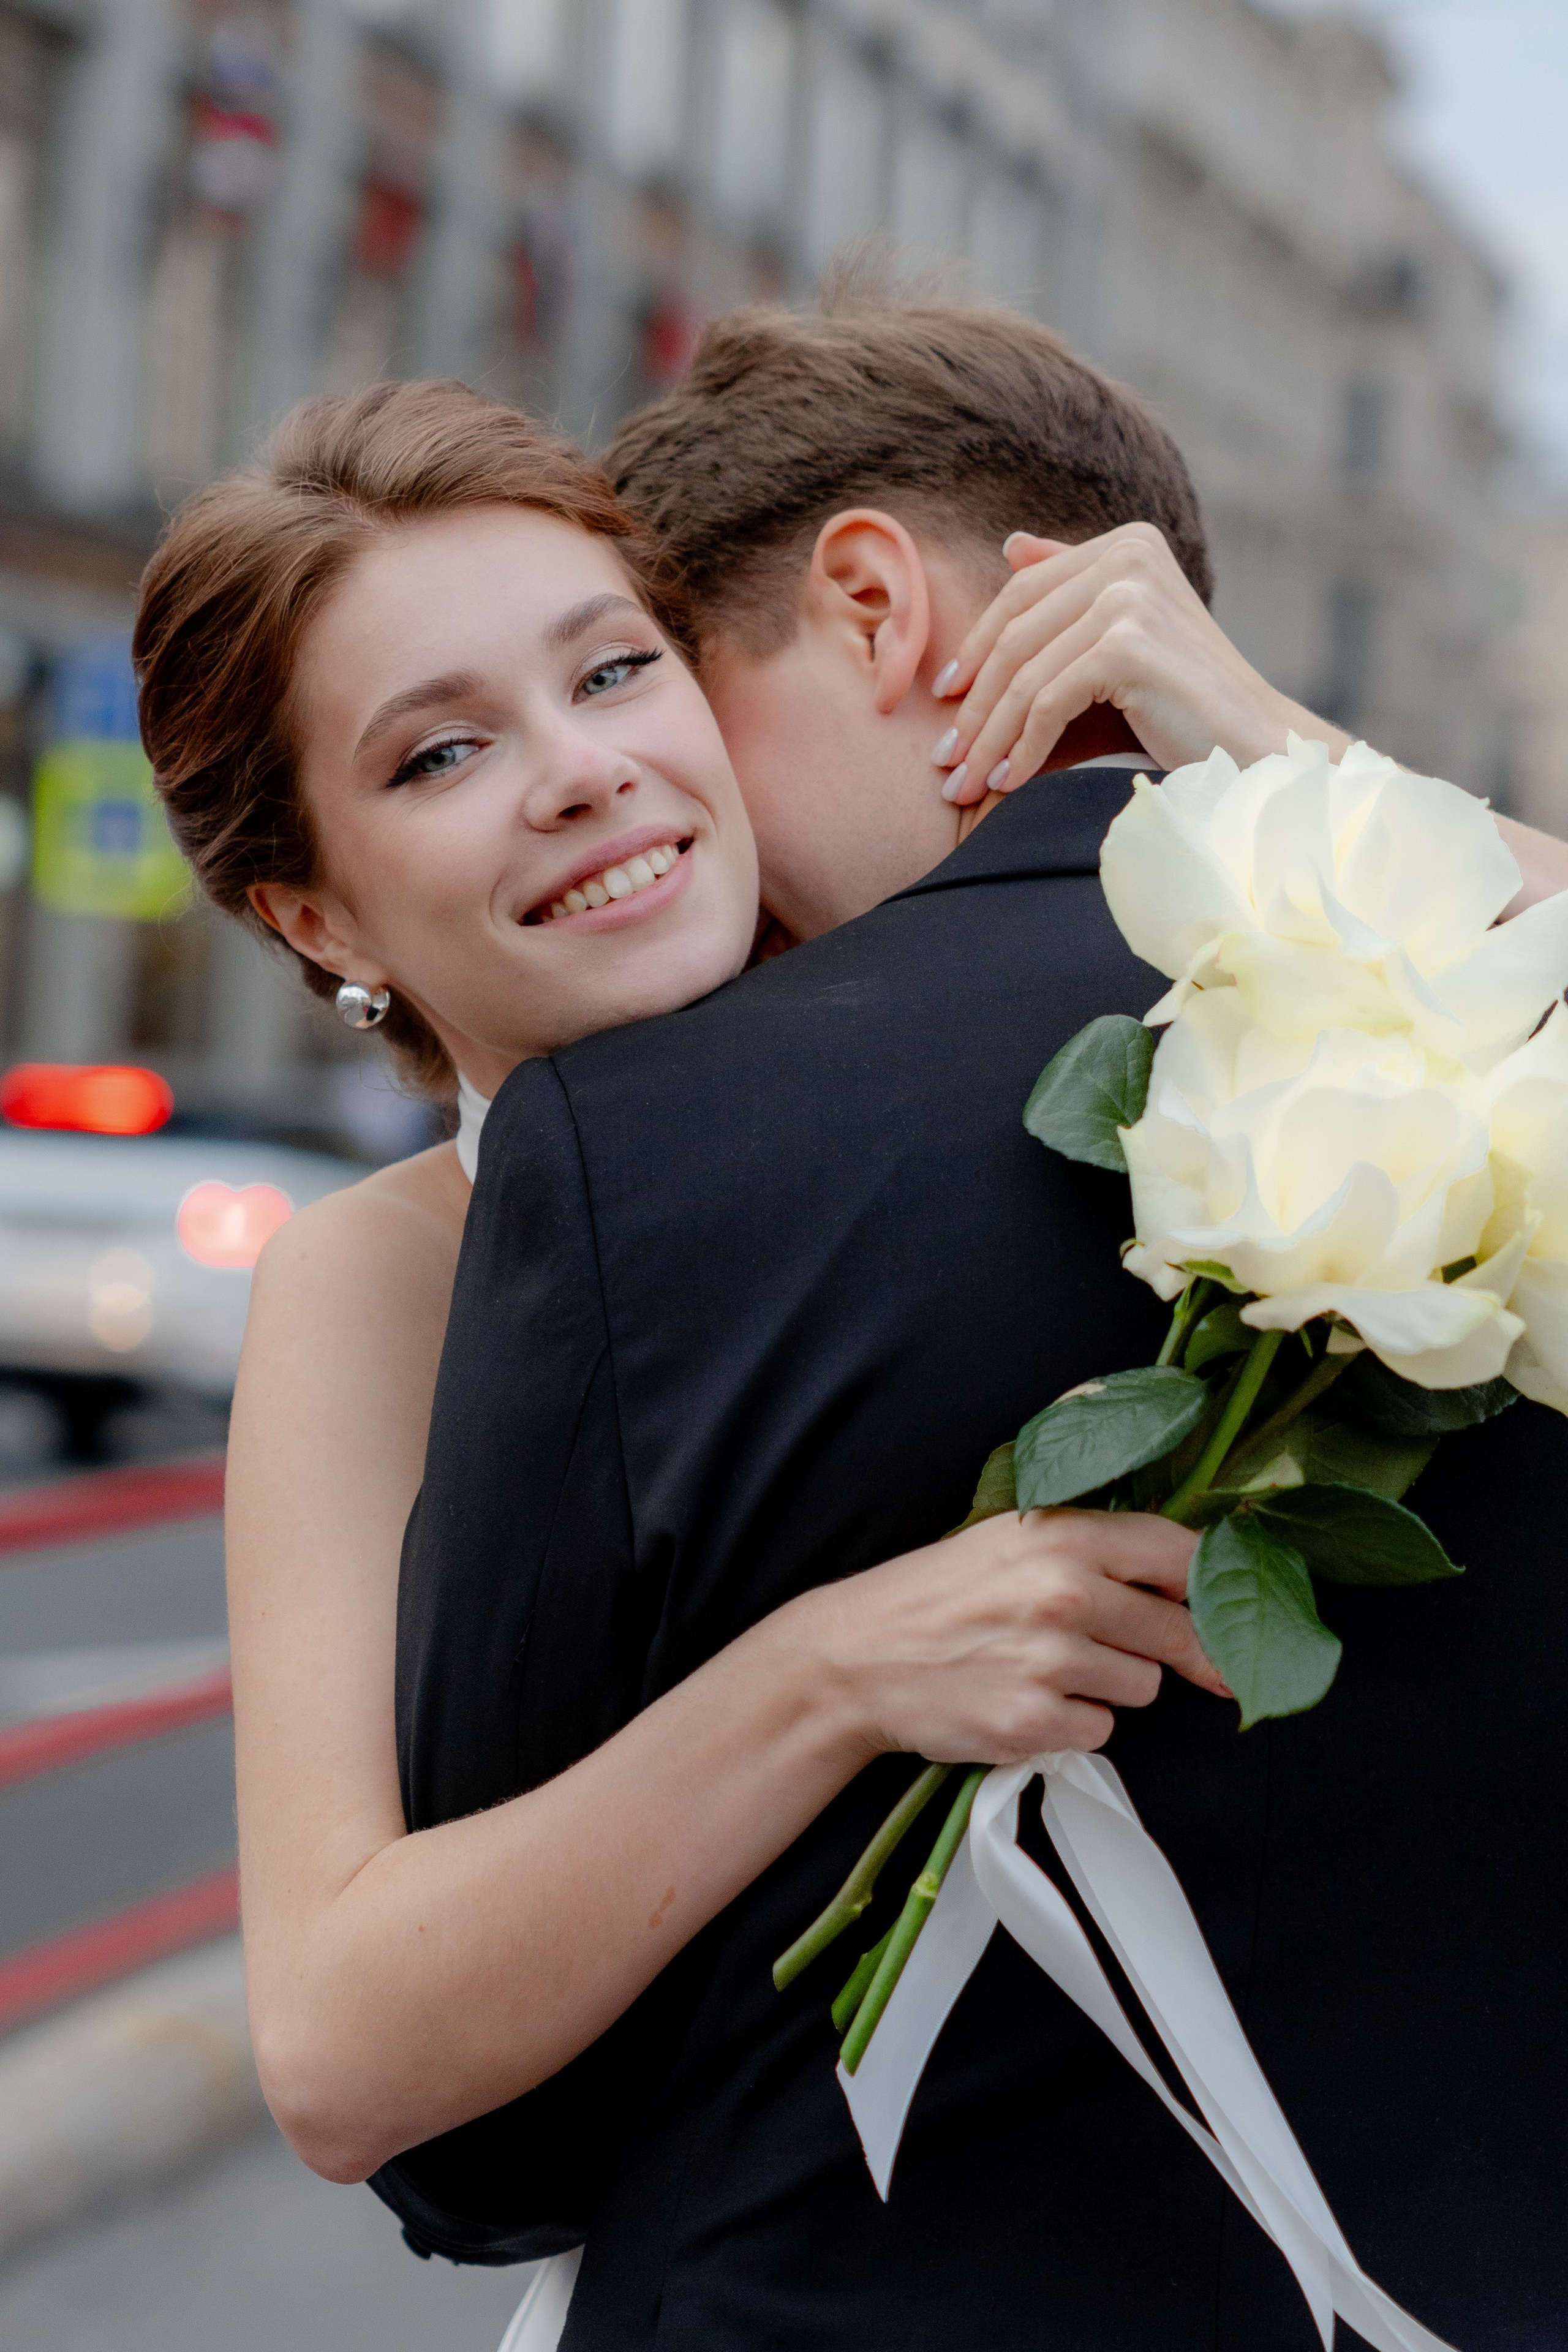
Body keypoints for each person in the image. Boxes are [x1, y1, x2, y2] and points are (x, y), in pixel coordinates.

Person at [134, 307, 1564, 2343]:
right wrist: (825, 1673)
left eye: (619, 671)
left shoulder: (1069, 1055)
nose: (584, 772)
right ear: (318, 914)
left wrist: (1258, 735)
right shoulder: (375, 1280)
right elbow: (349, 2051)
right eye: (442, 752)